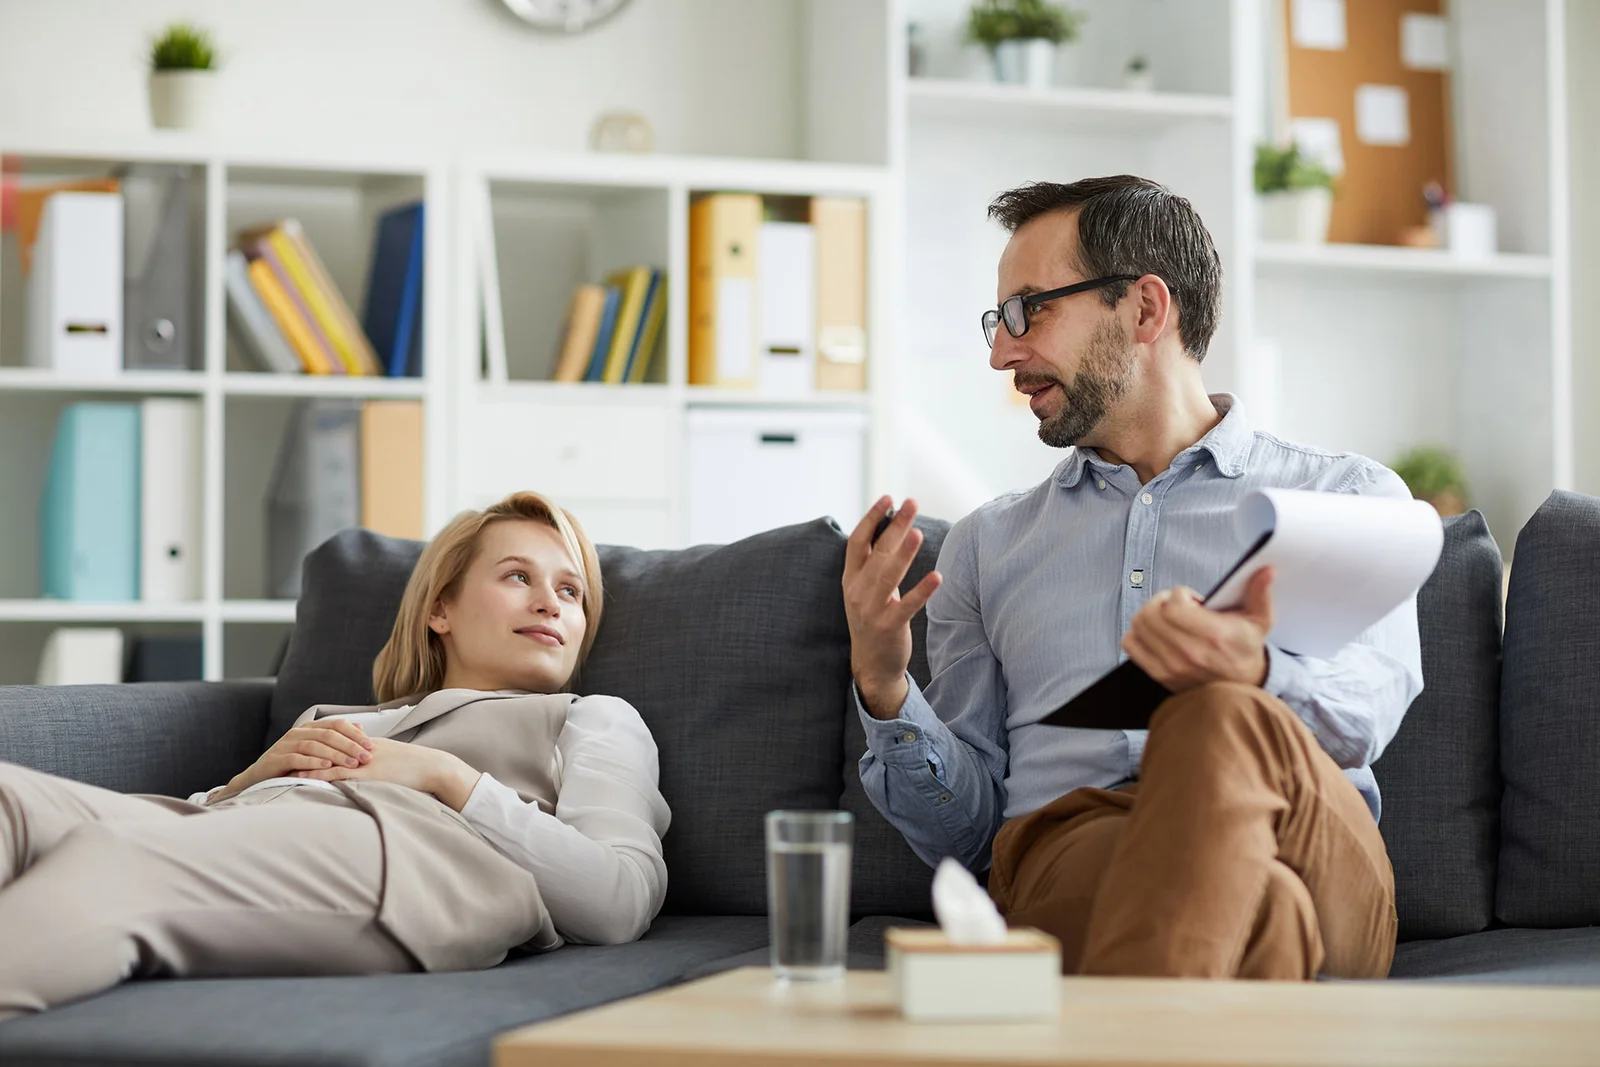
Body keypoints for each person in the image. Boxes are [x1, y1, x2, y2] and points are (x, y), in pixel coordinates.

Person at [843, 176, 1419, 981]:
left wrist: (1250, 674)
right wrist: (885, 684)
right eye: (998, 320)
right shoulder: (986, 545)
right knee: (1270, 911)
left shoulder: (1345, 498)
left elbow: (1369, 710)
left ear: (1146, 310)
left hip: (1312, 839)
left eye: (1028, 310)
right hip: (1077, 851)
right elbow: (967, 839)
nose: (1001, 352)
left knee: (1216, 716)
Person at [0, 490, 669, 1020]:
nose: (550, 601)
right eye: (518, 575)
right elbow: (221, 834)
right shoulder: (350, 718)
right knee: (14, 804)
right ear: (442, 608)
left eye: (571, 590)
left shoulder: (594, 719)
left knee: (112, 864)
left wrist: (446, 778)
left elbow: (618, 900)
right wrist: (246, 779)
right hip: (244, 827)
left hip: (407, 858)